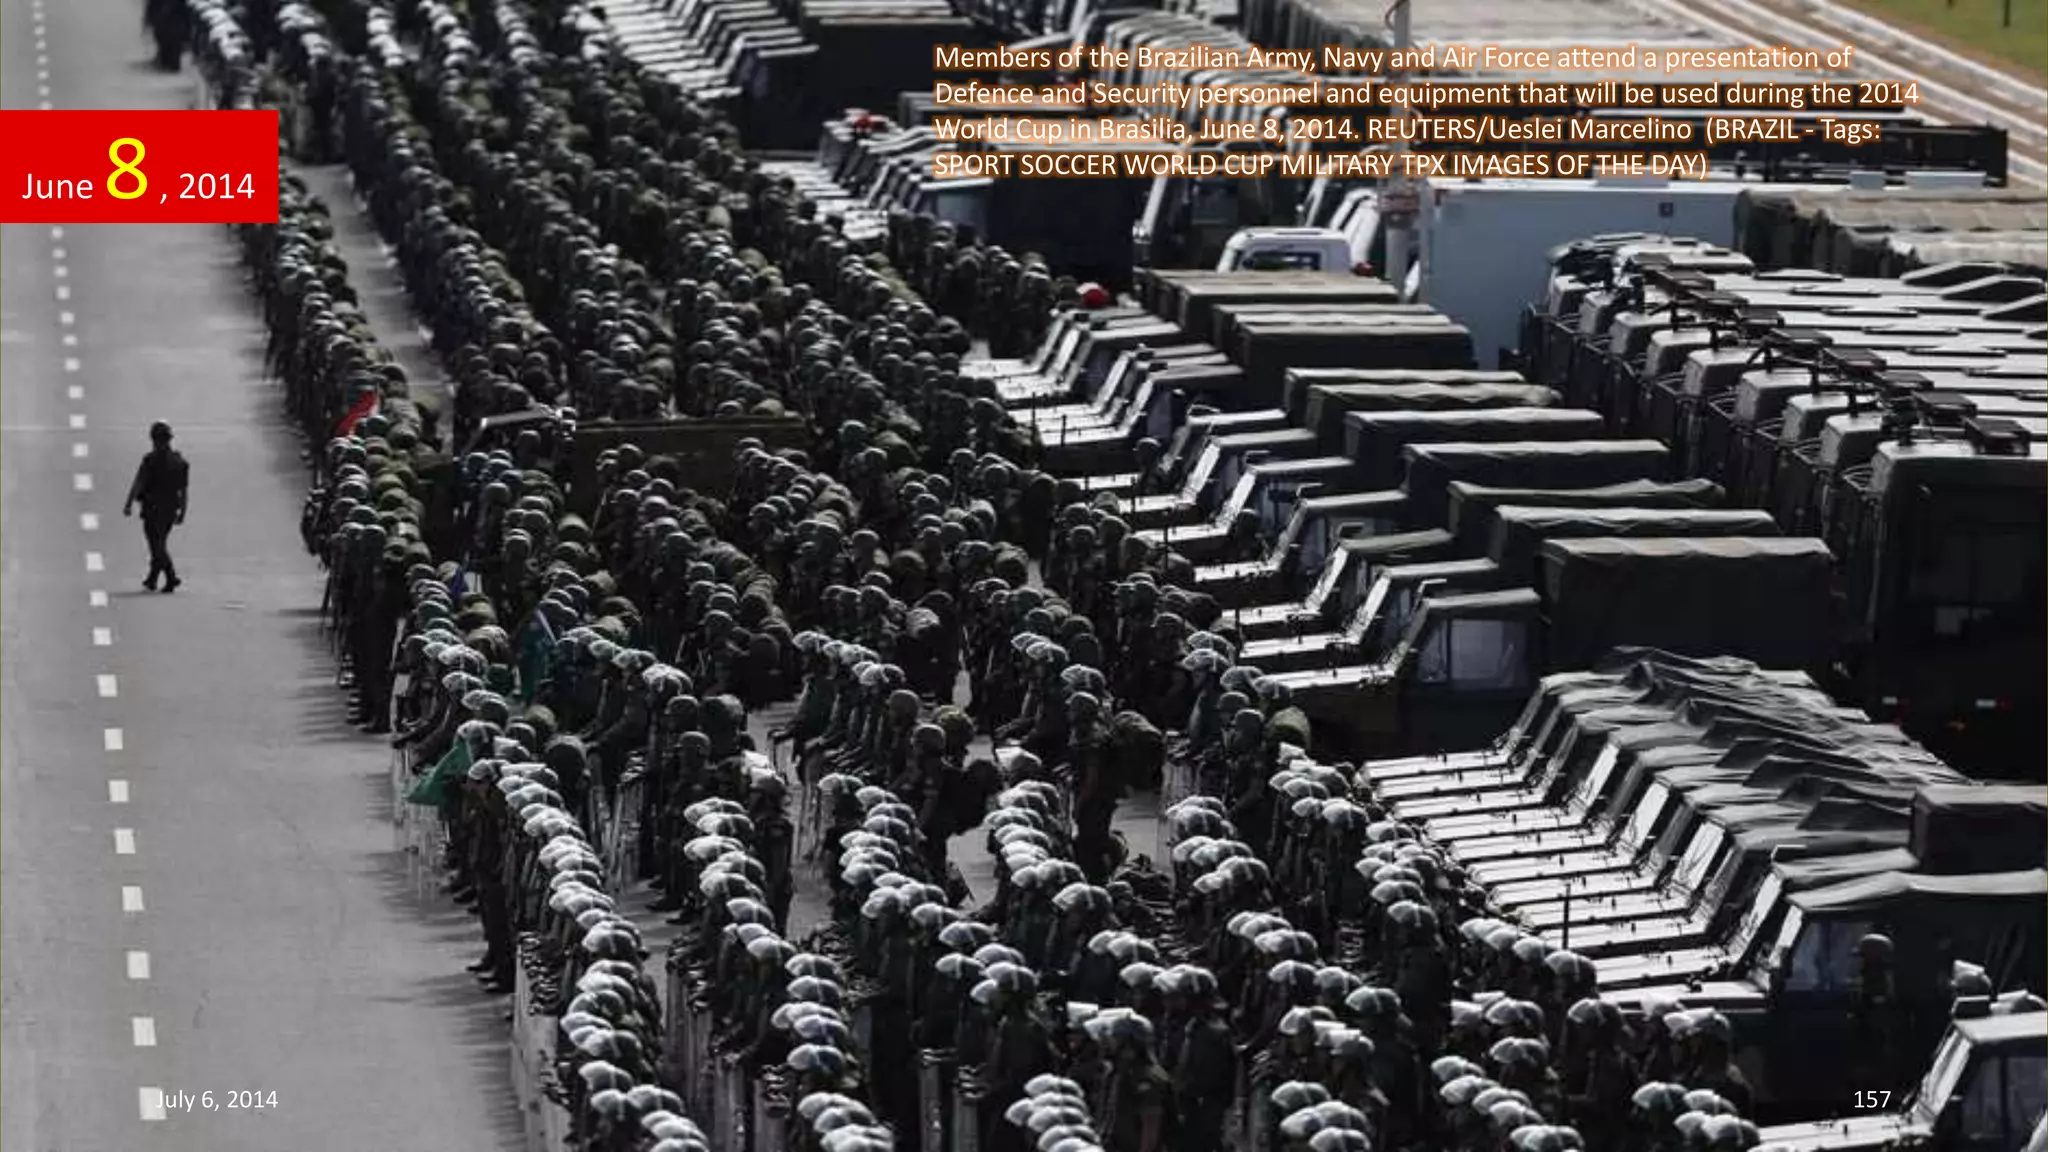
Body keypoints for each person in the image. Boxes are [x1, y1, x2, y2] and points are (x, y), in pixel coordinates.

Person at [123, 421, 190, 592]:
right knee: (159, 544)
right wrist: (183, 511)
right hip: (170, 509)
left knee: (157, 545)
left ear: (154, 439)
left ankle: (171, 576)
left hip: (152, 509)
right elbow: (183, 491)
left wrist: (129, 503)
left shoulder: (150, 460)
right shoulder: (180, 462)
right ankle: (152, 579)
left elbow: (139, 482)